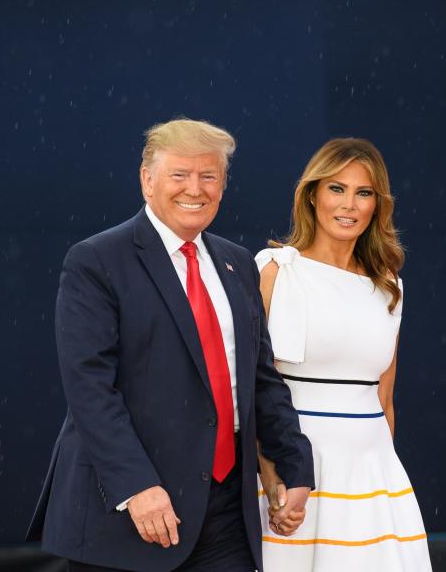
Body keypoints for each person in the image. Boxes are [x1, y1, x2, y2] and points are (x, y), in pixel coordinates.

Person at [26, 118, 314, 572]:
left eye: (209, 176)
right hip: (126, 514)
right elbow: (89, 389)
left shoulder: (239, 264)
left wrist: (294, 466)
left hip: (224, 514)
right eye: (179, 175)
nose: (194, 189)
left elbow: (260, 380)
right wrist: (135, 487)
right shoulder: (96, 262)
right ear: (147, 180)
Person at [255, 138, 432, 571]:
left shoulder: (390, 286)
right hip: (293, 474)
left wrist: (380, 484)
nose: (349, 204)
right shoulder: (275, 271)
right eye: (337, 188)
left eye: (364, 192)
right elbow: (255, 393)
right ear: (312, 194)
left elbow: (385, 400)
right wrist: (273, 478)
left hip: (374, 482)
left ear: (377, 204)